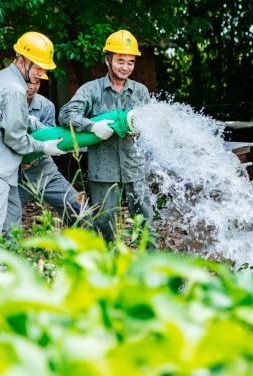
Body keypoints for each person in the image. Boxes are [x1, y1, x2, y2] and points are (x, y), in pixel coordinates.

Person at [0, 31, 65, 255]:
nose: (42, 73)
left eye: (44, 67)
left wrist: (43, 129)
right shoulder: (13, 88)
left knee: (11, 220)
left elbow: (17, 118)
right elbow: (15, 137)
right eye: (38, 67)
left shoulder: (6, 78)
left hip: (3, 166)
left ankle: (8, 270)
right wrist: (44, 147)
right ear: (21, 60)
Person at [58, 29, 152, 245]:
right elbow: (66, 114)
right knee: (105, 225)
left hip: (135, 168)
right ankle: (107, 270)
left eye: (130, 62)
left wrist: (139, 130)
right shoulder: (91, 90)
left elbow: (151, 126)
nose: (125, 67)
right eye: (120, 61)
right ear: (108, 60)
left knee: (146, 223)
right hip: (103, 171)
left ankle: (151, 271)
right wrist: (92, 126)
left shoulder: (141, 92)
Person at [3, 76, 87, 230]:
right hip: (15, 174)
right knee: (4, 217)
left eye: (37, 82)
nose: (32, 87)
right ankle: (1, 250)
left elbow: (50, 138)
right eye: (28, 82)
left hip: (43, 170)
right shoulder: (8, 102)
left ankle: (89, 246)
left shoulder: (46, 105)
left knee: (77, 207)